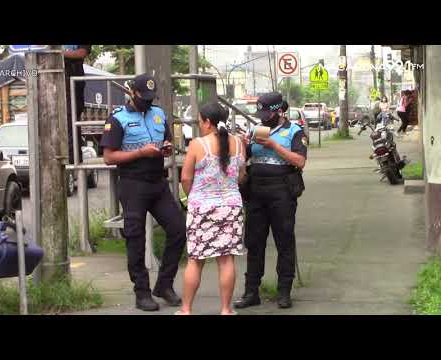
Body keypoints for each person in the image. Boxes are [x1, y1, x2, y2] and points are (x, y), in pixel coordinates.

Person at [100, 74, 187, 311]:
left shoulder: (159, 114)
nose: (148, 102)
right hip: (132, 184)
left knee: (179, 230)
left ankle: (164, 285)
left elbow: (166, 143)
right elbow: (109, 157)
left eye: (151, 98)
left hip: (157, 182)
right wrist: (140, 153)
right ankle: (142, 292)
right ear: (132, 93)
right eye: (143, 97)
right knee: (135, 239)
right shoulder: (118, 119)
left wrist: (165, 149)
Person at [234, 92, 308, 310]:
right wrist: (242, 144)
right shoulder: (255, 129)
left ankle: (284, 291)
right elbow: (244, 157)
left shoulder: (294, 131)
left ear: (279, 111)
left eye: (267, 113)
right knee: (254, 242)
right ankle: (251, 291)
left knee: (284, 241)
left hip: (282, 191)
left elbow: (300, 161)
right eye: (261, 114)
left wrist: (274, 146)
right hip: (256, 191)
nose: (263, 118)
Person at [176, 102, 247, 315]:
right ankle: (226, 309)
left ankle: (186, 309)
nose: (199, 125)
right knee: (226, 260)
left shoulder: (198, 145)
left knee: (196, 260)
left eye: (200, 121)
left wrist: (195, 198)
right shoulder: (239, 143)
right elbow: (241, 176)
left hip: (202, 208)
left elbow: (186, 177)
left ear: (208, 122)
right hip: (231, 207)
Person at [63, 45, 91, 164]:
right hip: (48, 78)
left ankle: (73, 160)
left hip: (72, 80)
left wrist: (58, 53)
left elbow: (82, 52)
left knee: (71, 121)